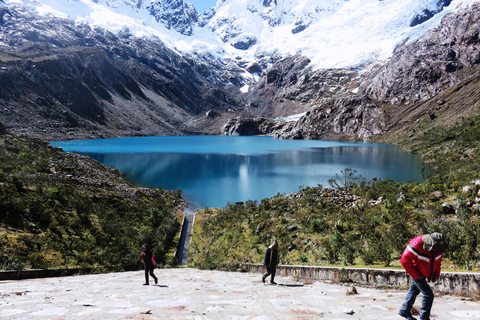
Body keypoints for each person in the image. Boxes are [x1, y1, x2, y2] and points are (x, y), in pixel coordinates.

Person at [398, 232, 446, 320]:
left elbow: (438, 262)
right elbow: (404, 260)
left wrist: (435, 274)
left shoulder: (439, 248)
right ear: (431, 244)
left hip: (424, 271)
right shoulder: (417, 244)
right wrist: (416, 275)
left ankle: (404, 310)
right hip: (416, 271)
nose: (437, 251)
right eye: (436, 248)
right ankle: (424, 317)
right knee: (428, 294)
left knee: (414, 290)